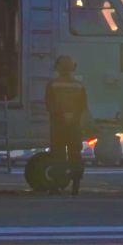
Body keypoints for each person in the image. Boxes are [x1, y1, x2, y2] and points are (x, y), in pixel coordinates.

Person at [45, 55, 88, 195]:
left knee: (58, 155)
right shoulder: (79, 85)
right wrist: (73, 118)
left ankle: (57, 185)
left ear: (58, 67)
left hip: (58, 126)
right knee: (75, 154)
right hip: (74, 126)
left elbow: (49, 105)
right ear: (72, 68)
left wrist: (61, 117)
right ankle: (75, 185)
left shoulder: (52, 84)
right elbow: (83, 106)